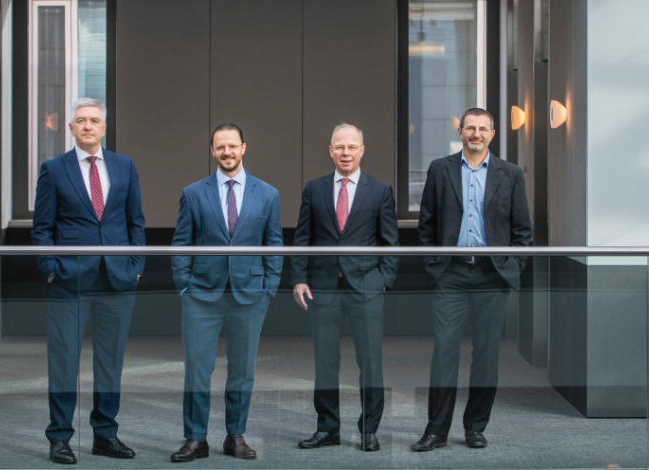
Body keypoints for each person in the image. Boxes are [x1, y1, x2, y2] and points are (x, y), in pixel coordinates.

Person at [411, 108, 531, 451]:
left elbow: (522, 231)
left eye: (483, 128)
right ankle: (436, 431)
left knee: (487, 355)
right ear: (460, 132)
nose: (476, 134)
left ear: (492, 134)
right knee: (444, 351)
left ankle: (476, 427)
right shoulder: (440, 169)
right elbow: (426, 224)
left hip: (492, 274)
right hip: (450, 273)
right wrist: (434, 264)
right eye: (470, 128)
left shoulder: (511, 174)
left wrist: (512, 266)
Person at [32, 98, 145, 464]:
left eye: (94, 120)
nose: (87, 126)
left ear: (104, 128)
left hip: (117, 278)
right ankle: (59, 437)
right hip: (70, 279)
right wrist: (51, 269)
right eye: (81, 120)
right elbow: (42, 228)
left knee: (110, 362)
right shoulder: (54, 169)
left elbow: (135, 221)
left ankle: (105, 435)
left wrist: (136, 265)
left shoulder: (125, 166)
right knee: (63, 361)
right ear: (71, 128)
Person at [169, 123, 282, 462]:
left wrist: (269, 287)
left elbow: (274, 244)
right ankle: (195, 439)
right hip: (202, 295)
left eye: (232, 146)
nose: (227, 152)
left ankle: (235, 436)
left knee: (242, 370)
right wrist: (184, 285)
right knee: (197, 369)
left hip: (250, 294)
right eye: (220, 147)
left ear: (243, 147)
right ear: (212, 151)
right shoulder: (193, 193)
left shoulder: (268, 194)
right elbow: (181, 243)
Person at [291, 123, 399, 452]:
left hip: (366, 287)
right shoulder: (314, 189)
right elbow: (303, 238)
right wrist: (299, 277)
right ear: (330, 151)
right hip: (323, 288)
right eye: (339, 147)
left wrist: (383, 281)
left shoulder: (379, 190)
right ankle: (327, 428)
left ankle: (369, 429)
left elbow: (390, 242)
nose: (346, 153)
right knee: (325, 361)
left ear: (362, 151)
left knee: (370, 362)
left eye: (352, 147)